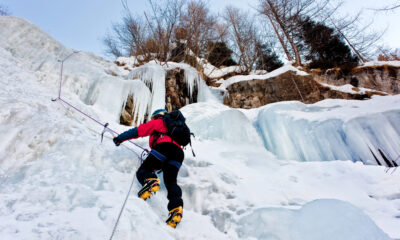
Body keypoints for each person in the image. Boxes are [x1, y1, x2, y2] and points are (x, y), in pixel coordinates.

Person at [113, 109, 184, 228]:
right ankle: (176, 208)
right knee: (171, 182)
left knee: (144, 170)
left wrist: (120, 138)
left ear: (157, 116)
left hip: (164, 147)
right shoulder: (176, 128)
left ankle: (151, 180)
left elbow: (138, 131)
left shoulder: (160, 122)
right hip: (178, 154)